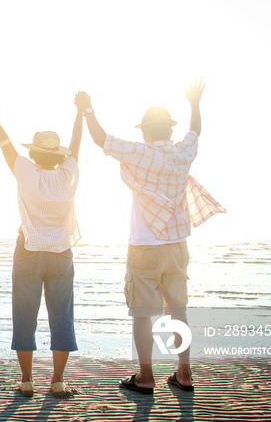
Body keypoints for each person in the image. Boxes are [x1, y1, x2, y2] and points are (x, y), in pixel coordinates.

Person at [79, 80, 225, 395]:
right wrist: (194, 102)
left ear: (145, 132)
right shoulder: (182, 152)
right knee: (178, 309)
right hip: (176, 246)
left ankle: (146, 376)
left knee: (143, 313)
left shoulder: (139, 153)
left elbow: (100, 138)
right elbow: (196, 130)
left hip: (144, 246)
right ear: (169, 132)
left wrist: (88, 109)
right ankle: (183, 372)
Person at [0, 92, 83, 398]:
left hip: (28, 250)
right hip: (61, 254)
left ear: (35, 155)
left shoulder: (26, 171)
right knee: (62, 317)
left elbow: (5, 145)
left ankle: (27, 381)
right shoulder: (68, 174)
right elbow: (76, 147)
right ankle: (58, 381)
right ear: (59, 157)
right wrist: (80, 113)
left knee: (24, 315)